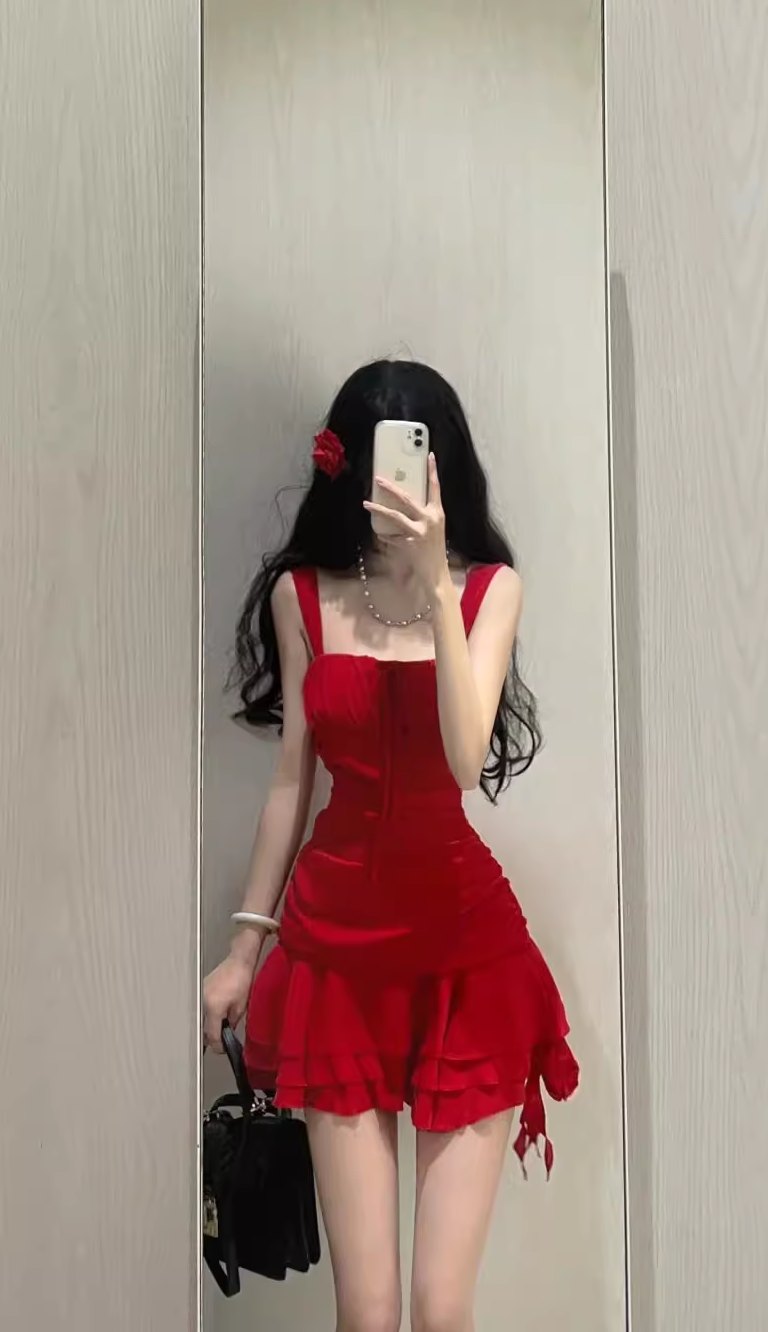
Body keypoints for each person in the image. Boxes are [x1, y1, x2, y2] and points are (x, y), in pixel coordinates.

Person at [204, 360, 578, 1332]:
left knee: (440, 1309)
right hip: (334, 958)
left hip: (466, 957)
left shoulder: (490, 590)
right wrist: (244, 948)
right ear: (346, 471)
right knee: (366, 1313)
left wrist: (438, 583)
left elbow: (464, 758)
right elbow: (291, 781)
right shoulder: (302, 596)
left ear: (441, 472)